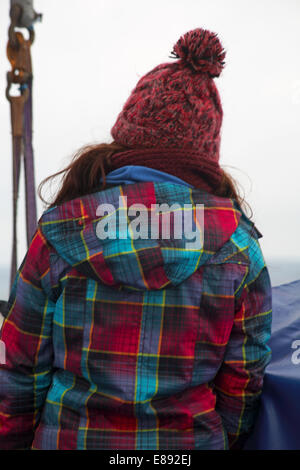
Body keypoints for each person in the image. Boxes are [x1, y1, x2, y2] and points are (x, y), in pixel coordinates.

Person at [0, 28, 272, 450]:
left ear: (127, 136)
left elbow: (18, 370)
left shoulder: (59, 232)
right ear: (205, 156)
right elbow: (244, 379)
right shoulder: (238, 248)